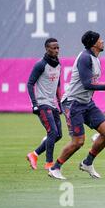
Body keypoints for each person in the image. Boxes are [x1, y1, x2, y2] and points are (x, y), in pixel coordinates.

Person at [48, 31, 105, 180]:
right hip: (73, 103)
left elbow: (92, 83)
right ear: (94, 43)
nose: (103, 41)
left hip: (86, 103)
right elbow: (87, 84)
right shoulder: (85, 58)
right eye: (100, 40)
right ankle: (55, 168)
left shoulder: (95, 58)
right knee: (78, 141)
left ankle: (87, 163)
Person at [26, 38, 63, 170]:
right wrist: (34, 104)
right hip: (42, 103)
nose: (57, 50)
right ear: (47, 49)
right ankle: (49, 163)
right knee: (52, 132)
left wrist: (60, 103)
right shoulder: (40, 65)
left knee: (58, 135)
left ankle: (34, 154)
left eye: (58, 48)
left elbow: (57, 84)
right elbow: (30, 84)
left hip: (53, 104)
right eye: (54, 48)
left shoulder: (58, 65)